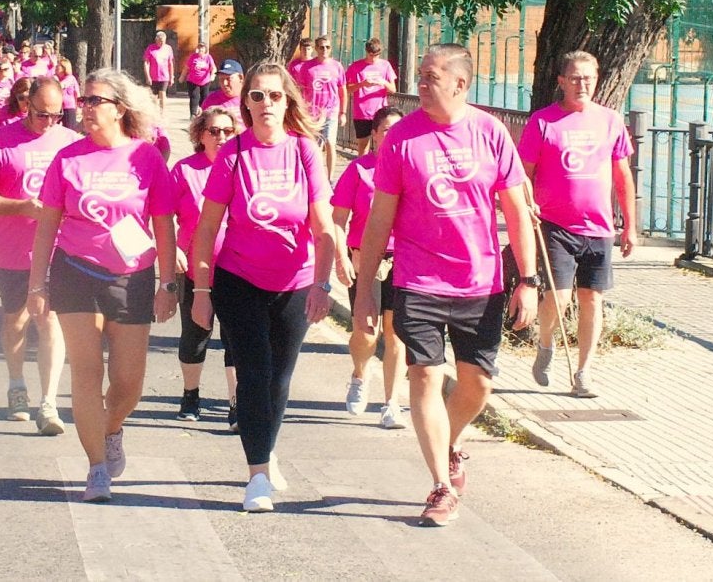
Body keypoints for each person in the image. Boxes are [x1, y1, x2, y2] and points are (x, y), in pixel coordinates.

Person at [352, 43, 538, 528]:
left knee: (478, 385)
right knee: (425, 376)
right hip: (419, 279)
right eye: (421, 74)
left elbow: (517, 211)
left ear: (460, 82)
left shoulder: (490, 132)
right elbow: (379, 219)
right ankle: (439, 485)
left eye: (432, 75)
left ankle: (450, 442)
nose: (421, 82)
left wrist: (529, 280)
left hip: (481, 282)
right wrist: (366, 288)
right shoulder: (402, 140)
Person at [189, 62, 335, 513]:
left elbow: (323, 223)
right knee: (253, 372)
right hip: (239, 279)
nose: (266, 103)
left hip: (294, 281)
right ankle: (257, 476)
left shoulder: (305, 151)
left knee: (279, 377)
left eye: (274, 95)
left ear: (287, 101)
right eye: (257, 95)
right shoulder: (233, 153)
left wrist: (323, 283)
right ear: (245, 103)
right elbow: (207, 226)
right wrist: (200, 291)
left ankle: (266, 447)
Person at [28, 70, 177, 503]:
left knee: (128, 382)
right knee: (87, 374)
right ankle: (96, 467)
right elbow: (46, 228)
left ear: (120, 108)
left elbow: (163, 227)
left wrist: (167, 284)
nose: (86, 108)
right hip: (76, 272)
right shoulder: (68, 159)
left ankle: (112, 429)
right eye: (84, 100)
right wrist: (38, 286)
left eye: (96, 101)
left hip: (131, 276)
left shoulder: (146, 158)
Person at [519, 50, 637, 399]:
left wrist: (630, 225)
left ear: (596, 79)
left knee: (592, 298)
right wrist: (527, 204)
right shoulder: (543, 122)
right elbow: (523, 173)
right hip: (555, 223)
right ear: (561, 82)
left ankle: (584, 372)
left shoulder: (611, 121)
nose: (581, 84)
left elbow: (622, 175)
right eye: (574, 78)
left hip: (599, 227)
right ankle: (545, 343)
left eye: (588, 78)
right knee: (558, 295)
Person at [0, 77, 81, 434]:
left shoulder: (71, 142)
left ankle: (48, 404)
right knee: (15, 321)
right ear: (25, 105)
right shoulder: (2, 140)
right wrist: (22, 207)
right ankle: (17, 385)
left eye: (55, 115)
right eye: (41, 115)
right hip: (12, 251)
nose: (48, 122)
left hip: (58, 251)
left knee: (50, 321)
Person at [331, 106, 407, 429]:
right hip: (365, 258)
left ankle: (392, 403)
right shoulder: (359, 170)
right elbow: (337, 220)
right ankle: (360, 374)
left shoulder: (411, 171)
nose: (391, 136)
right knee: (366, 332)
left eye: (397, 130)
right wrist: (342, 257)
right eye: (385, 129)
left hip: (403, 260)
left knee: (396, 335)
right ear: (374, 134)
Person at [170, 107, 238, 424]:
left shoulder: (244, 168)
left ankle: (237, 403)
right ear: (201, 135)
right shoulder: (185, 171)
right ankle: (190, 395)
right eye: (213, 131)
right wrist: (173, 250)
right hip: (196, 270)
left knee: (237, 339)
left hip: (239, 269)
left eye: (227, 131)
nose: (221, 137)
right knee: (196, 336)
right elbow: (159, 214)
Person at [296, 37, 347, 178]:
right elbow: (301, 90)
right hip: (313, 113)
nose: (325, 50)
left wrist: (343, 112)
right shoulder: (307, 67)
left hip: (331, 111)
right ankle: (315, 176)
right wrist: (301, 110)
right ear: (316, 49)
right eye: (322, 47)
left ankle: (330, 178)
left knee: (330, 142)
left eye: (328, 47)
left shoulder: (337, 67)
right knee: (314, 146)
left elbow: (343, 91)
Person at [345, 38, 398, 155]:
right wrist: (362, 84)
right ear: (366, 51)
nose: (374, 58)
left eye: (377, 55)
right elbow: (347, 89)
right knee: (363, 146)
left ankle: (381, 169)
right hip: (362, 113)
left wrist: (383, 82)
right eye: (371, 55)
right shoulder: (356, 66)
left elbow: (393, 89)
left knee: (383, 144)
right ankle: (361, 171)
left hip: (380, 112)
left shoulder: (385, 65)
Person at [179, 41, 216, 118]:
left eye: (202, 48)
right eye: (199, 48)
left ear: (205, 49)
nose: (200, 49)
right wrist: (182, 77)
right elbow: (186, 68)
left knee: (204, 97)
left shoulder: (208, 57)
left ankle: (203, 114)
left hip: (205, 81)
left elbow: (213, 68)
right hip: (192, 81)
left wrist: (212, 75)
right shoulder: (193, 57)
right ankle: (193, 114)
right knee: (194, 96)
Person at [142, 30, 175, 112]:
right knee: (154, 96)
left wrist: (172, 77)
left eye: (163, 41)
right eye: (160, 41)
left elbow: (170, 63)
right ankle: (154, 112)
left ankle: (162, 112)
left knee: (162, 94)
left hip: (164, 76)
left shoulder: (168, 48)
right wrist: (148, 76)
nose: (162, 43)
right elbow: (146, 63)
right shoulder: (150, 48)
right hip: (153, 76)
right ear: (156, 40)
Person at [55, 58, 80, 130]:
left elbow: (60, 86)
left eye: (58, 66)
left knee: (70, 129)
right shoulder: (58, 78)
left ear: (64, 68)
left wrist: (78, 107)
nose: (56, 67)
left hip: (68, 108)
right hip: (58, 108)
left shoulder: (70, 78)